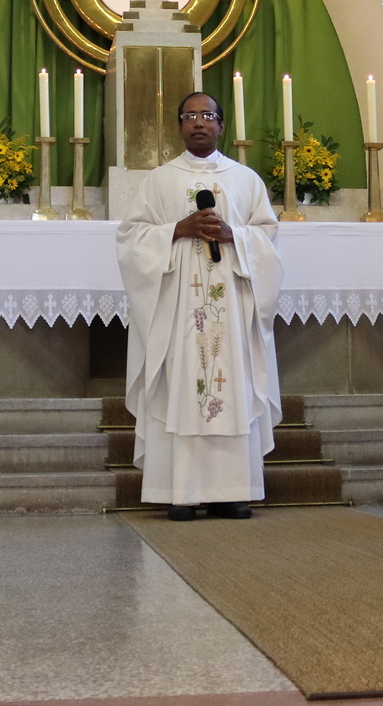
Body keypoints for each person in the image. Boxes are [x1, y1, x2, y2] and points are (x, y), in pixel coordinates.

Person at [116, 92, 283, 521]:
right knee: (184, 385)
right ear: (179, 126)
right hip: (179, 307)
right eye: (190, 116)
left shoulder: (245, 180)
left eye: (207, 115)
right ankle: (181, 492)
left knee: (231, 385)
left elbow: (267, 238)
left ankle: (232, 491)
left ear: (221, 125)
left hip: (232, 306)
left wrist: (234, 235)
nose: (199, 122)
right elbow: (131, 238)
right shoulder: (159, 180)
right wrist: (177, 229)